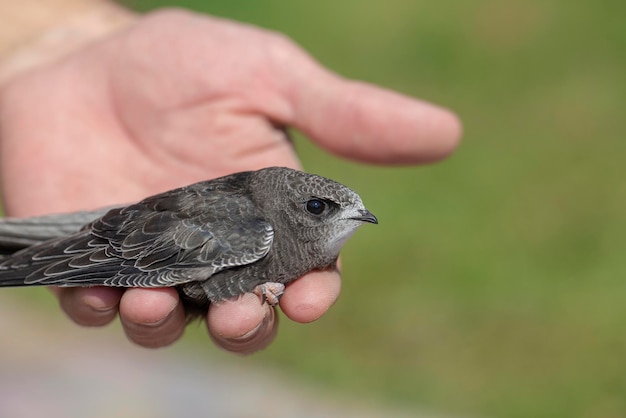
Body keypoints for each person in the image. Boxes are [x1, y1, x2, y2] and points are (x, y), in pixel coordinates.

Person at [0, 1, 461, 354]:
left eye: (352, 210)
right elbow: (135, 251)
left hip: (135, 226)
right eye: (321, 209)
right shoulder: (251, 231)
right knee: (120, 285)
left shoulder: (282, 225)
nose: (356, 218)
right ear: (294, 211)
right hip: (124, 237)